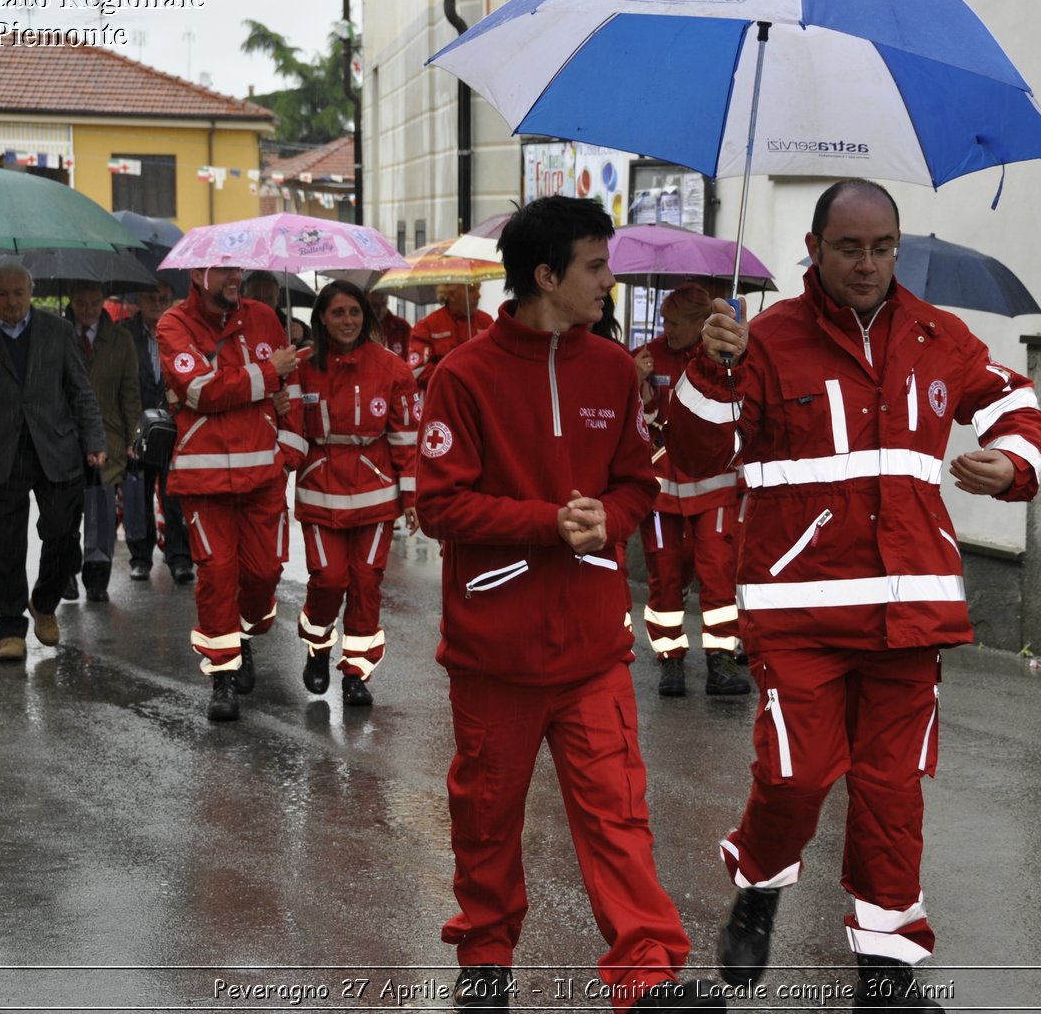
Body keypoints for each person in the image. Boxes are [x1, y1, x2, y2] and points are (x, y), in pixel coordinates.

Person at [666, 179, 1041, 1010]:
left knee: (891, 792)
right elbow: (695, 451)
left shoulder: (937, 335)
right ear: (814, 247)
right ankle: (760, 885)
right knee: (797, 778)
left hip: (910, 614)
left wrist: (1015, 464)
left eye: (883, 247)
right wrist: (710, 365)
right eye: (849, 247)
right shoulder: (760, 340)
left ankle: (887, 968)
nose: (868, 263)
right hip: (798, 608)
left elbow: (1015, 400)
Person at [416, 195, 721, 1013]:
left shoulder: (613, 368)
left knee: (620, 817)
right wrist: (547, 524)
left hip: (592, 649)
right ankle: (485, 963)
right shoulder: (463, 376)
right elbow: (439, 504)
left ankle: (647, 977)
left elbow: (636, 482)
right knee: (486, 818)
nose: (609, 282)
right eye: (595, 266)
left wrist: (608, 517)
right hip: (494, 653)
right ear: (545, 275)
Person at [155, 265, 305, 723]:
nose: (233, 278)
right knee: (217, 576)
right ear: (199, 274)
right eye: (223, 271)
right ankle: (222, 675)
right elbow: (199, 390)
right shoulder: (173, 324)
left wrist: (287, 450)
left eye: (236, 269)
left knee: (263, 575)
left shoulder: (264, 317)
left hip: (263, 477)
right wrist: (266, 374)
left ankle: (242, 636)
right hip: (204, 482)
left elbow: (292, 386)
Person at [0, 262, 105, 662]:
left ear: (30, 293)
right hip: (2, 450)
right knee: (7, 543)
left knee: (64, 534)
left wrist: (94, 439)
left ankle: (44, 601)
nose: (11, 302)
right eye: (2, 294)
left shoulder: (58, 331)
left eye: (18, 293)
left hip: (57, 448)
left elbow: (81, 390)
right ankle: (11, 624)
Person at [291, 279, 418, 707]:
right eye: (338, 313)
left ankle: (356, 673)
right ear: (322, 319)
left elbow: (405, 437)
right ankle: (317, 645)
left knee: (366, 583)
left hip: (375, 492)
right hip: (319, 488)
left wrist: (413, 497)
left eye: (355, 312)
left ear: (366, 317)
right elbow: (289, 430)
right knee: (328, 580)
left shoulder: (392, 368)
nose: (348, 321)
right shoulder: (301, 366)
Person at [631, 283, 749, 698]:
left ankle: (721, 661)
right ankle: (671, 662)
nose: (667, 330)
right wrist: (637, 383)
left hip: (714, 484)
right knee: (664, 574)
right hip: (661, 488)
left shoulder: (725, 354)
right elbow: (635, 422)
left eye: (675, 323)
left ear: (701, 323)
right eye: (664, 321)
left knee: (717, 572)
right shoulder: (647, 357)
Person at [64, 281, 141, 603]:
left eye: (94, 303)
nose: (87, 309)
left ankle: (97, 578)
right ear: (71, 301)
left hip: (109, 436)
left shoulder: (121, 340)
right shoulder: (58, 334)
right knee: (65, 512)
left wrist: (134, 437)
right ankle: (65, 571)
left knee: (102, 512)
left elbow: (130, 394)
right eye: (81, 302)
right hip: (66, 437)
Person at [120, 280, 193, 583]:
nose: (156, 302)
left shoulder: (181, 331)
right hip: (137, 425)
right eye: (150, 296)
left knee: (174, 495)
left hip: (173, 425)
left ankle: (179, 558)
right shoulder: (124, 333)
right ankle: (140, 557)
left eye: (163, 297)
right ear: (138, 298)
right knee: (137, 493)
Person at [407, 281, 489, 390]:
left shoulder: (487, 323)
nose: (478, 295)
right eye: (470, 290)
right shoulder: (427, 326)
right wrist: (457, 376)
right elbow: (418, 371)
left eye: (478, 289)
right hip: (442, 401)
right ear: (451, 295)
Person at [369, 289, 412, 360]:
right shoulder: (359, 326)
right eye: (374, 305)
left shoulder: (402, 326)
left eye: (384, 304)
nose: (380, 310)